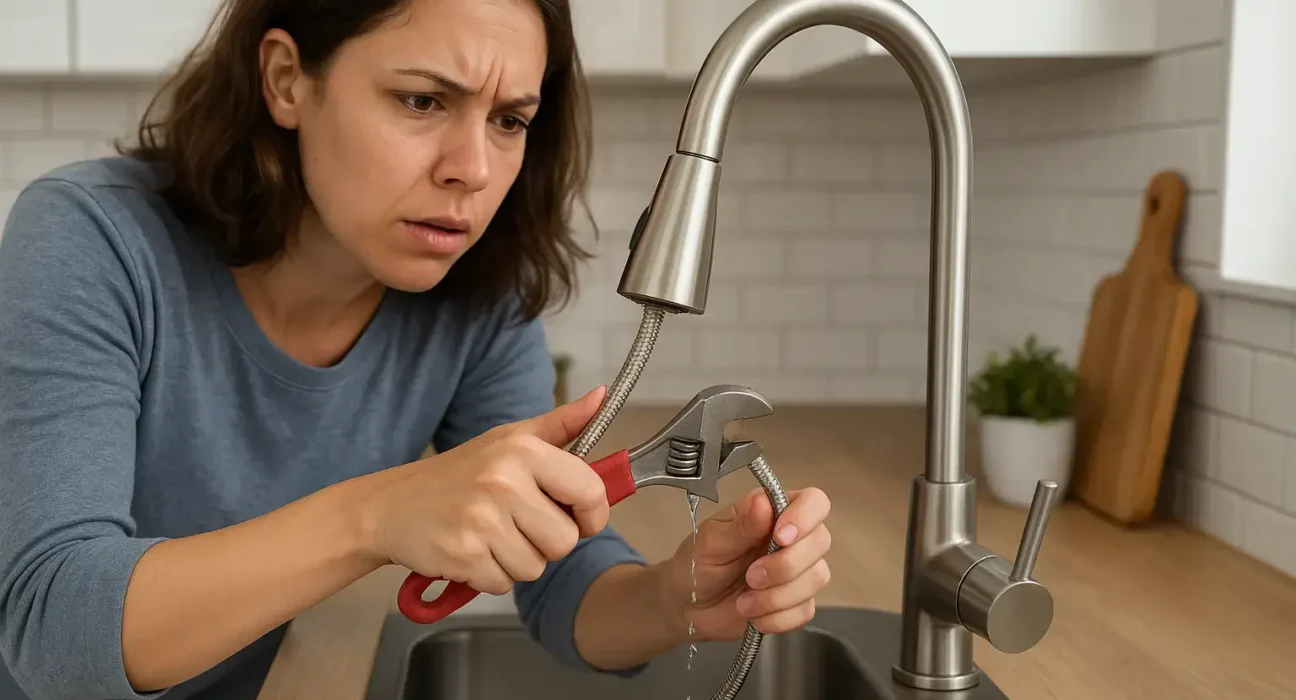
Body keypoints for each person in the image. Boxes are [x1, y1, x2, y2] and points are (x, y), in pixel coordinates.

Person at [0, 0, 834, 698]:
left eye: (510, 120)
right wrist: (379, 514)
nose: (471, 168)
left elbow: (566, 581)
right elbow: (51, 630)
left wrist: (682, 597)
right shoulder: (89, 239)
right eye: (422, 101)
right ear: (287, 80)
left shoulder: (477, 304)